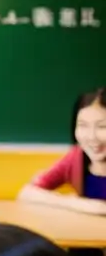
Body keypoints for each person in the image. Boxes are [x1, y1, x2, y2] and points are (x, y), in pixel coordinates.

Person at [20, 88, 106, 216]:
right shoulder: (76, 157)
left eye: (102, 126)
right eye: (82, 125)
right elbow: (27, 193)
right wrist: (76, 203)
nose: (91, 137)